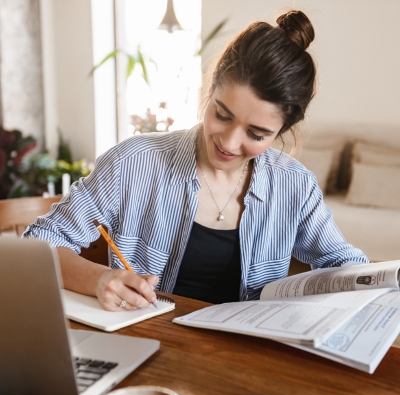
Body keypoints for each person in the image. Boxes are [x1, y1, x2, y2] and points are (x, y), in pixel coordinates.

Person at [23, 10, 369, 309]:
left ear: (282, 130)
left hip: (245, 362)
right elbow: (37, 246)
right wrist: (100, 280)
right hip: (150, 344)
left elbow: (344, 263)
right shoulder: (133, 162)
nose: (230, 142)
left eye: (256, 134)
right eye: (221, 114)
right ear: (210, 89)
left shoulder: (294, 185)